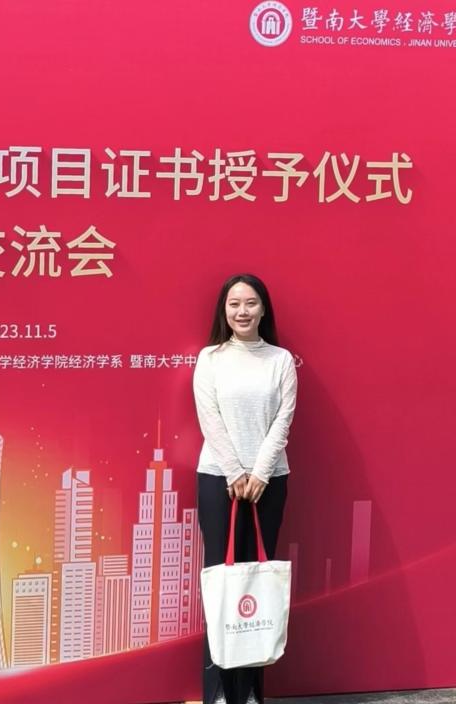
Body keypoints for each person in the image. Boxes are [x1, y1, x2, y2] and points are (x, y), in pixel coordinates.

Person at [192, 273, 298, 704]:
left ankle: (251, 690)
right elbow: (209, 417)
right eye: (234, 304)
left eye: (250, 303)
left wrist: (260, 473)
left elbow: (283, 420)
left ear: (263, 309)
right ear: (224, 310)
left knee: (256, 583)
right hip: (218, 478)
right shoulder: (211, 358)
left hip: (269, 481)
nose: (242, 311)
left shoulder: (280, 360)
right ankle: (218, 690)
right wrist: (235, 472)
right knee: (222, 582)